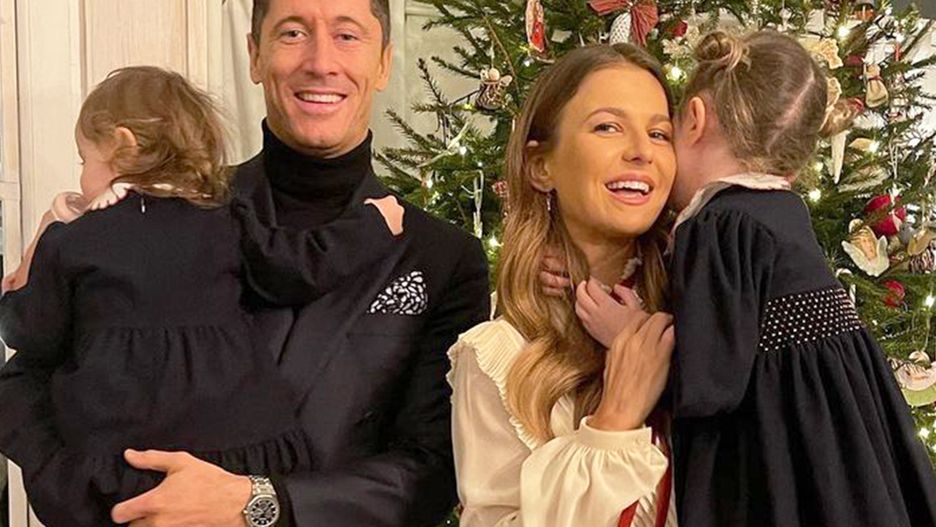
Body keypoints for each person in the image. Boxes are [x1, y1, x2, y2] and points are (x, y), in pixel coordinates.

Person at [99, 1, 488, 526]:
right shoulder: (169, 213)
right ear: (254, 56)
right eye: (292, 33)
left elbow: (433, 469)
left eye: (347, 36)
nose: (321, 62)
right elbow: (54, 384)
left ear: (383, 63)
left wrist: (258, 503)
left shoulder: (442, 257)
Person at [0, 66, 406, 527]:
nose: (82, 177)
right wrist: (371, 225)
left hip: (121, 464)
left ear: (122, 145)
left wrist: (23, 276)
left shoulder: (74, 240)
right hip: (240, 455)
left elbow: (33, 334)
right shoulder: (226, 218)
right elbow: (299, 265)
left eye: (84, 160)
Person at [565, 30, 936, 527]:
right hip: (842, 444)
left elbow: (711, 383)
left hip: (779, 453)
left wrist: (628, 334)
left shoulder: (719, 225)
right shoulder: (779, 211)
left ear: (694, 119)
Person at [448, 43, 678, 527]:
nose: (641, 151)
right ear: (541, 167)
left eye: (660, 133)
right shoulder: (501, 354)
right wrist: (615, 420)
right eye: (607, 127)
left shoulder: (708, 313)